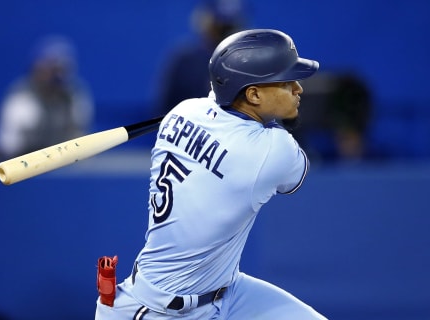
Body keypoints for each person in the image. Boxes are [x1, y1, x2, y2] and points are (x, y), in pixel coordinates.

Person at [95, 29, 327, 319]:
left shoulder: (183, 111)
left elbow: (218, 106)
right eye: (285, 81)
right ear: (253, 94)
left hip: (228, 291)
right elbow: (291, 175)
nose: (298, 89)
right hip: (161, 309)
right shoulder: (273, 152)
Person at [0, 35, 94, 159]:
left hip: (64, 164)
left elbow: (79, 139)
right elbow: (8, 147)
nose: (56, 76)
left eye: (61, 69)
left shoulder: (74, 95)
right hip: (28, 165)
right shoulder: (22, 98)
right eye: (51, 69)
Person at [155, 0, 247, 115]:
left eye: (229, 27)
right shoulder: (186, 61)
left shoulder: (250, 61)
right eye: (219, 27)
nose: (224, 32)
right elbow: (166, 109)